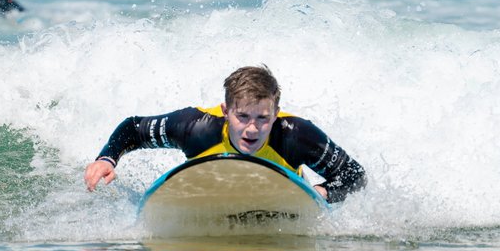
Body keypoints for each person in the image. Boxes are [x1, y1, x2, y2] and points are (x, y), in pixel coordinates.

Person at [84, 65, 367, 203]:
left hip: (279, 198)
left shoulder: (295, 134)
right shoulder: (196, 127)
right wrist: (107, 159)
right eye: (242, 116)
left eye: (263, 118)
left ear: (276, 111)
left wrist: (319, 192)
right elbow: (134, 128)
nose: (253, 128)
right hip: (209, 192)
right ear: (226, 110)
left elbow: (355, 176)